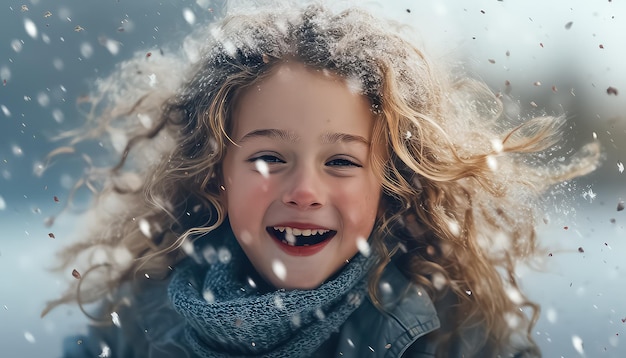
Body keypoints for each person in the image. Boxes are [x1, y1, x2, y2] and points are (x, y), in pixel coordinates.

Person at [42, 2, 600, 357]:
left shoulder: (448, 337)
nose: (304, 191)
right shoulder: (136, 326)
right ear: (216, 178)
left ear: (390, 184)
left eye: (341, 162)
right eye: (268, 158)